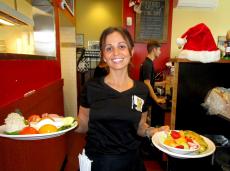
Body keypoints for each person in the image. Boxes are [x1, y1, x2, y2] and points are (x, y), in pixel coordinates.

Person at [75, 27, 169, 171]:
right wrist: (60, 124)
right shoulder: (91, 87)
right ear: (104, 55)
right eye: (109, 48)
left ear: (131, 52)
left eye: (121, 46)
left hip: (131, 162)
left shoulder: (142, 90)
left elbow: (140, 126)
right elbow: (83, 124)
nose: (116, 53)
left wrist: (151, 131)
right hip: (98, 162)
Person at [139, 40, 166, 127]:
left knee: (145, 124)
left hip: (145, 98)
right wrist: (156, 99)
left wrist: (163, 83)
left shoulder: (149, 63)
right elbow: (147, 83)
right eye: (159, 50)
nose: (160, 52)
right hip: (144, 99)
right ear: (154, 50)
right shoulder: (148, 64)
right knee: (142, 125)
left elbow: (150, 82)